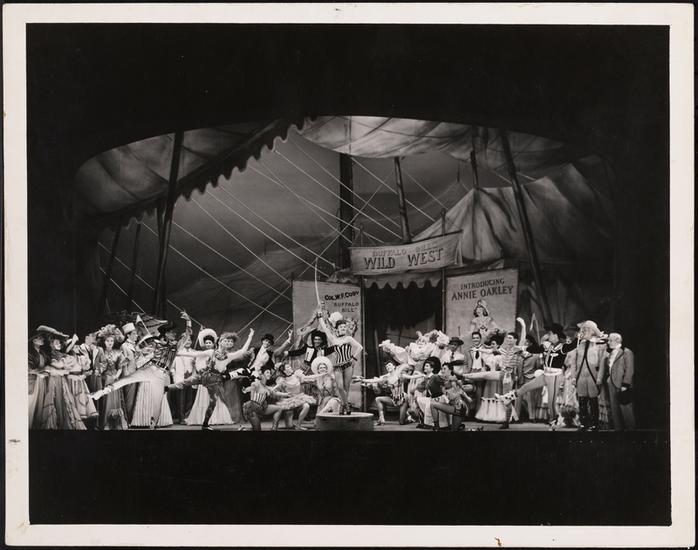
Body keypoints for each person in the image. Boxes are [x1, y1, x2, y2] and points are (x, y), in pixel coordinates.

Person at [90, 311, 193, 428]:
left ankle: (153, 425)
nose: (174, 334)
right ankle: (102, 392)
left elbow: (187, 335)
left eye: (174, 332)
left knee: (158, 401)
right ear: (166, 334)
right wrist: (146, 349)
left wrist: (188, 320)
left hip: (161, 374)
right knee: (126, 380)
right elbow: (140, 351)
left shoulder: (176, 346)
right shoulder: (155, 343)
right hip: (150, 368)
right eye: (171, 332)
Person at [168, 328, 254, 430]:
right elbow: (195, 354)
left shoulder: (229, 356)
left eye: (228, 342)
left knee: (213, 402)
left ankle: (205, 424)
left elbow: (242, 351)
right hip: (205, 376)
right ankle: (165, 388)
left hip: (215, 381)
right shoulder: (211, 352)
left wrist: (250, 337)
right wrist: (178, 353)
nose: (227, 343)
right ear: (219, 342)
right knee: (184, 383)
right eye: (225, 340)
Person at [497, 322, 576, 428]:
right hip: (545, 374)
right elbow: (536, 349)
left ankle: (552, 424)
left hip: (555, 376)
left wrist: (581, 336)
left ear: (556, 335)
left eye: (550, 334)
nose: (548, 336)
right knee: (526, 387)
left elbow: (574, 345)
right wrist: (522, 348)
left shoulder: (563, 347)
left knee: (551, 402)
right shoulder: (547, 346)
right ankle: (507, 398)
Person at [465, 330, 523, 428]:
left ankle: (506, 422)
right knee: (484, 375)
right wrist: (479, 350)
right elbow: (490, 351)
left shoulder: (518, 349)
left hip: (508, 376)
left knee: (506, 399)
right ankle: (465, 375)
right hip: (502, 373)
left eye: (510, 338)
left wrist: (523, 326)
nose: (508, 340)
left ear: (515, 340)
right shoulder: (503, 349)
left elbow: (522, 343)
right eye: (507, 338)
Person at [37, 329, 87, 430]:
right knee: (55, 398)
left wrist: (65, 368)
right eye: (56, 342)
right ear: (51, 344)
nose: (59, 344)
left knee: (63, 400)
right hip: (53, 380)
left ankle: (63, 421)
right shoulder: (49, 354)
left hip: (61, 380)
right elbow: (50, 367)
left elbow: (69, 363)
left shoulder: (61, 354)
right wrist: (63, 369)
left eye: (59, 342)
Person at [318, 308, 363, 415]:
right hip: (338, 365)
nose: (343, 328)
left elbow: (360, 347)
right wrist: (320, 317)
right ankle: (346, 405)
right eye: (341, 327)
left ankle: (342, 407)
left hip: (348, 365)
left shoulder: (348, 338)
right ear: (337, 328)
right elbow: (325, 328)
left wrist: (354, 358)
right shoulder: (333, 339)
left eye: (344, 327)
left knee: (346, 388)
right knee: (340, 387)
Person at [565, 320, 607, 431]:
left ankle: (594, 424)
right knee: (582, 400)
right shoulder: (578, 345)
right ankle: (583, 424)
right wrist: (573, 377)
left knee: (593, 401)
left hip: (593, 376)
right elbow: (573, 363)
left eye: (586, 329)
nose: (583, 331)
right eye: (582, 329)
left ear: (592, 331)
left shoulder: (599, 345)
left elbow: (602, 363)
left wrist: (599, 377)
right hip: (581, 376)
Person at [271, 363, 329, 430]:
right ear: (284, 371)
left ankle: (298, 425)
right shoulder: (282, 380)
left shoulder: (296, 375)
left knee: (306, 406)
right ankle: (275, 426)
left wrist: (321, 374)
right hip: (289, 401)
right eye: (288, 367)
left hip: (298, 398)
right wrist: (284, 394)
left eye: (290, 366)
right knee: (289, 425)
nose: (290, 367)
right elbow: (274, 390)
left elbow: (310, 377)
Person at [93, 324, 129, 429]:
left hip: (114, 378)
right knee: (106, 400)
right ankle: (105, 422)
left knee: (115, 401)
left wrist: (116, 376)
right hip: (104, 379)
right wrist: (100, 372)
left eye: (112, 341)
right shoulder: (100, 352)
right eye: (108, 341)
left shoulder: (118, 352)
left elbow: (120, 367)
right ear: (104, 342)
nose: (110, 343)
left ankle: (117, 423)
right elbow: (97, 366)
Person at [603, 333, 635, 431]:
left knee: (625, 409)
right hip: (612, 383)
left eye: (610, 340)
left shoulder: (626, 352)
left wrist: (625, 384)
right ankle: (618, 431)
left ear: (617, 340)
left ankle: (631, 433)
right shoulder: (611, 353)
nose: (608, 342)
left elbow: (630, 369)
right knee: (614, 409)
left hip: (622, 384)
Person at [241, 367, 288, 431]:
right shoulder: (256, 383)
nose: (269, 374)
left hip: (261, 408)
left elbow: (275, 392)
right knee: (257, 429)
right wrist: (246, 389)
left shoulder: (266, 387)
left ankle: (274, 428)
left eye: (270, 373)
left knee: (279, 408)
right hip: (252, 409)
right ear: (262, 374)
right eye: (267, 372)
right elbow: (253, 387)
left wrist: (287, 394)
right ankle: (244, 429)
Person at [119, 322, 142, 422]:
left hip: (137, 373)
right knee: (129, 398)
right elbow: (122, 363)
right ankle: (127, 419)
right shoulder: (124, 346)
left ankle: (132, 419)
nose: (136, 335)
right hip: (129, 374)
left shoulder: (136, 346)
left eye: (136, 333)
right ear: (128, 335)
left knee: (135, 397)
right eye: (134, 334)